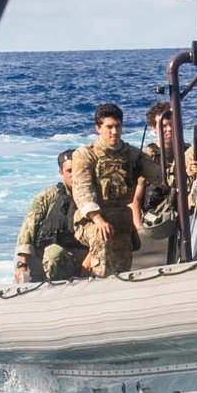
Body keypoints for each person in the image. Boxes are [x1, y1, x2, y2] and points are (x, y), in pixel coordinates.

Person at [73, 101, 154, 278]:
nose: (114, 132)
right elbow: (82, 191)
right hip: (91, 221)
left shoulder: (131, 154)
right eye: (109, 127)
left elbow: (158, 174)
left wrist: (186, 169)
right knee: (101, 241)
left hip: (121, 220)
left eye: (118, 126)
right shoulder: (86, 155)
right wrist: (97, 219)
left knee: (122, 268)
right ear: (98, 128)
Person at [15, 150, 93, 286]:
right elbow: (27, 229)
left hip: (86, 255)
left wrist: (91, 256)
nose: (74, 175)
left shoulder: (93, 196)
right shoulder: (47, 197)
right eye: (69, 171)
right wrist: (22, 264)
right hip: (54, 256)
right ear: (61, 173)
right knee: (53, 253)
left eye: (77, 169)